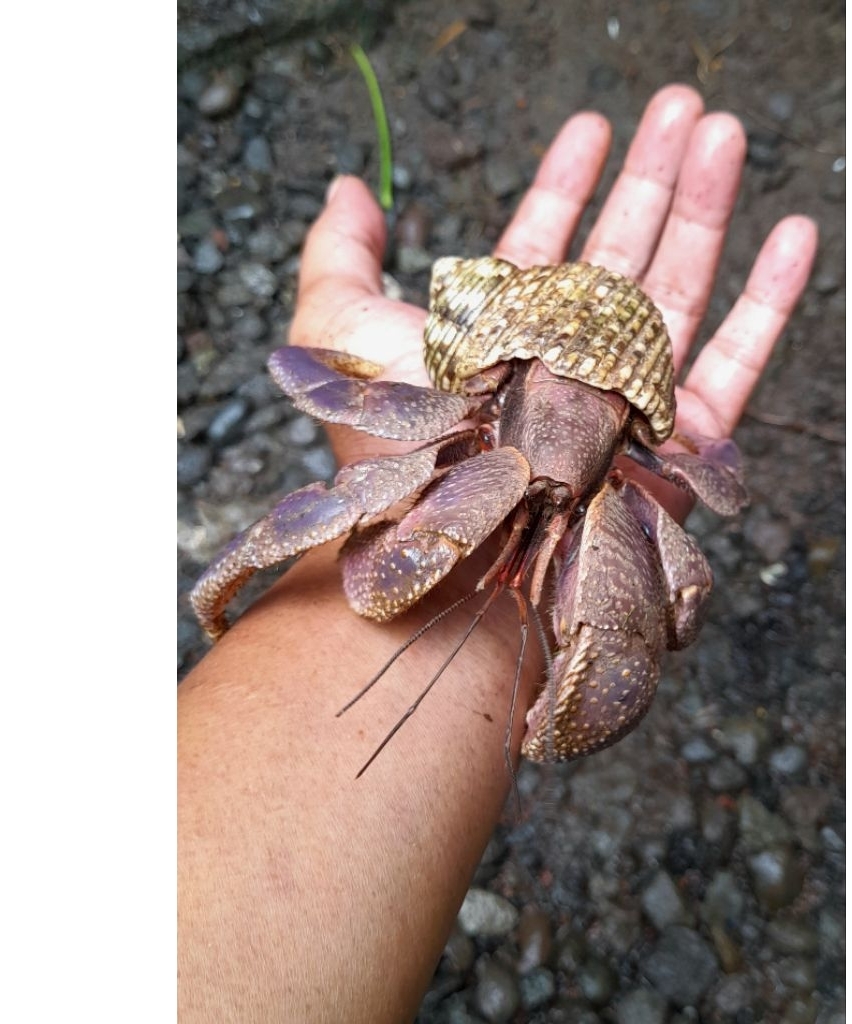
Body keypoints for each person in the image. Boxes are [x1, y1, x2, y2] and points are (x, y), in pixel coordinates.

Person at [178, 84, 818, 1022]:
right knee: (359, 497)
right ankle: (227, 580)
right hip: (515, 378)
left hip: (572, 414)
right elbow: (334, 396)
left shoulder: (621, 481)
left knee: (649, 603)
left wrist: (693, 492)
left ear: (630, 453)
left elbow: (686, 576)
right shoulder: (484, 415)